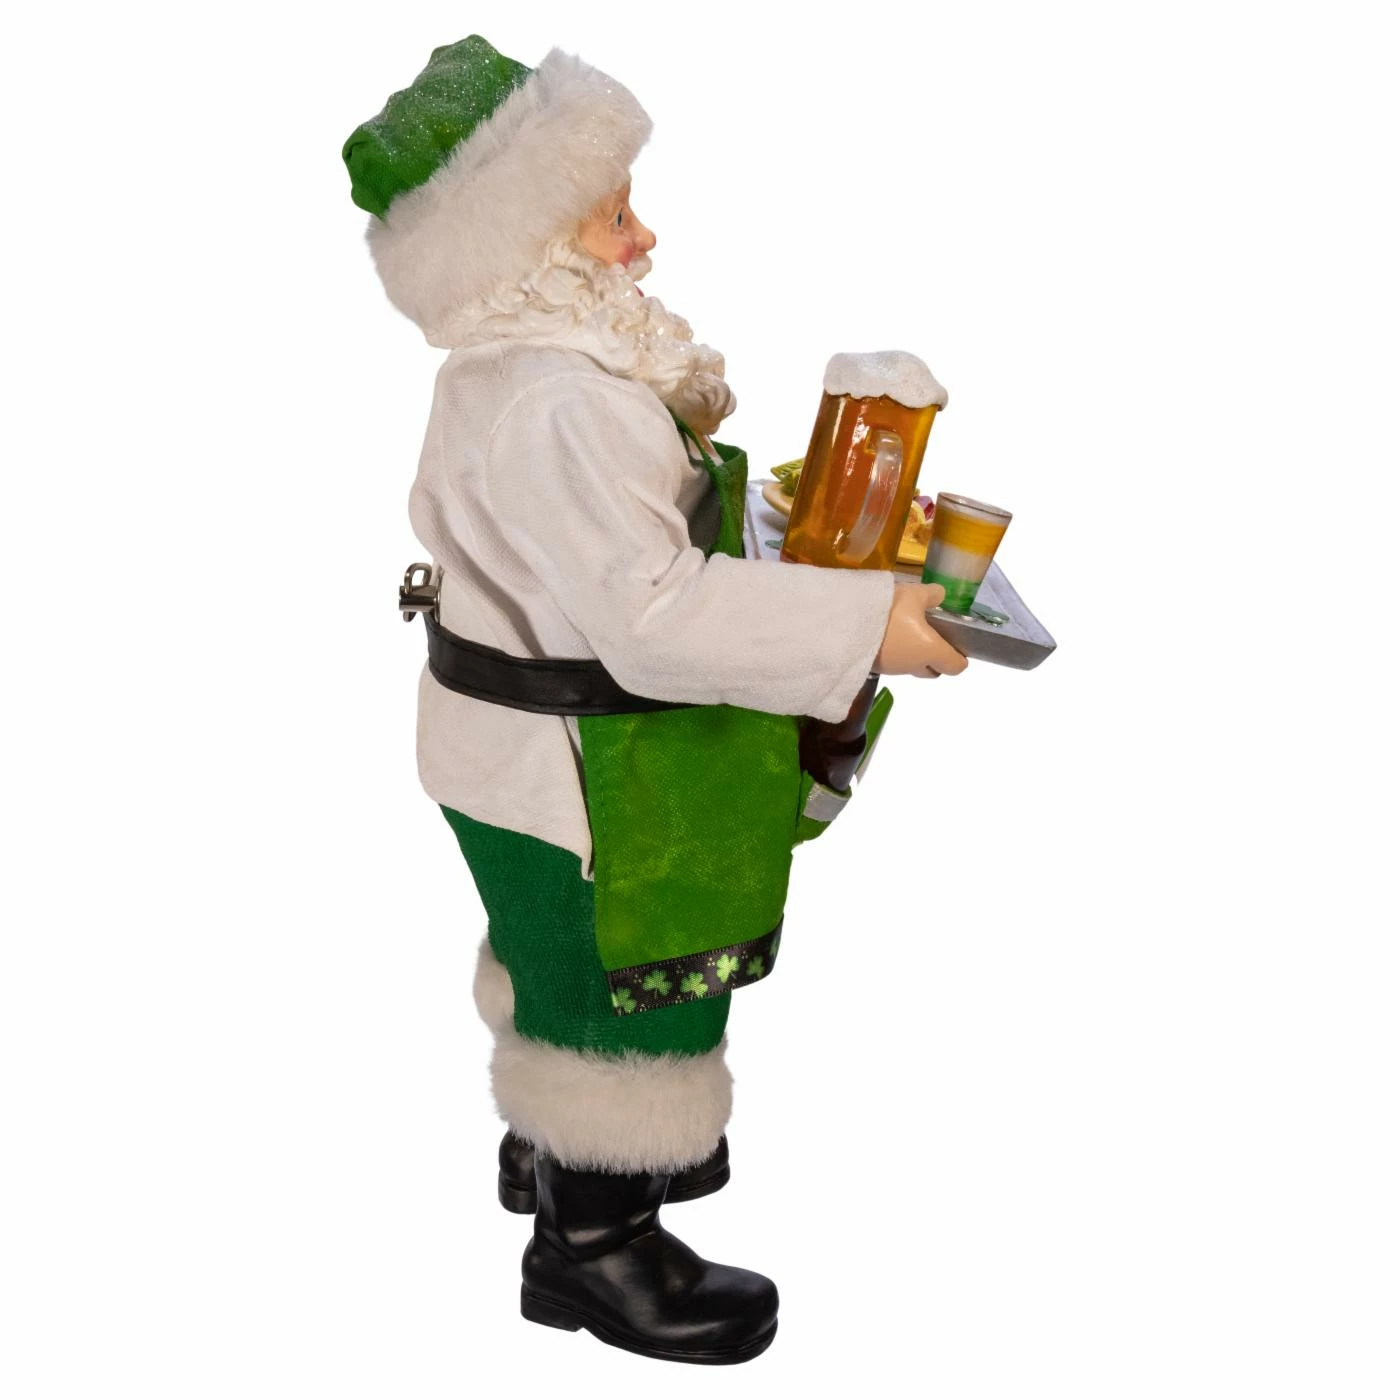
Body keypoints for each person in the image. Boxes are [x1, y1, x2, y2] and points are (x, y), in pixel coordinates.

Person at [344, 36, 965, 1365]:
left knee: (556, 954)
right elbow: (653, 616)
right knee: (620, 985)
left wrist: (799, 530)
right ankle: (593, 1246)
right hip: (585, 773)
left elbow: (620, 549)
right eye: (610, 216)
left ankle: (551, 1155)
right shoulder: (561, 404)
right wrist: (870, 622)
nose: (643, 240)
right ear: (527, 250)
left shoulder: (543, 377)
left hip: (521, 756)